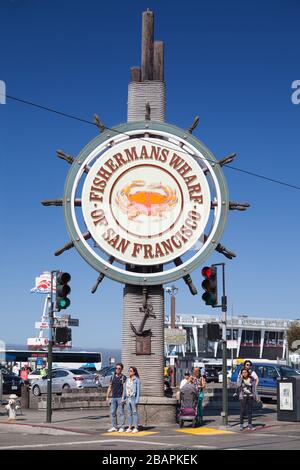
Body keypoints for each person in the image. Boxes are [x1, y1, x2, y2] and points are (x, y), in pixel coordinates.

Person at [106, 362, 126, 433]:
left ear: (121, 369)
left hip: (120, 397)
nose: (117, 369)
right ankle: (114, 426)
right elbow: (110, 386)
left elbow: (124, 388)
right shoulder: (112, 376)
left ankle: (122, 427)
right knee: (112, 412)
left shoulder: (123, 377)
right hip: (113, 397)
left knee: (121, 413)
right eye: (116, 368)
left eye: (119, 368)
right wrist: (107, 396)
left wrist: (123, 397)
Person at [123, 366, 140, 434]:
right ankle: (129, 427)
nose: (129, 372)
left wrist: (137, 399)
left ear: (134, 372)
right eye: (129, 371)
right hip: (128, 398)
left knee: (134, 413)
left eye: (131, 371)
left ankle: (135, 427)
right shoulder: (127, 379)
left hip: (133, 398)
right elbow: (125, 389)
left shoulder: (136, 379)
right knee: (129, 413)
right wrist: (124, 398)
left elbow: (138, 390)